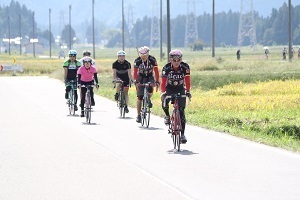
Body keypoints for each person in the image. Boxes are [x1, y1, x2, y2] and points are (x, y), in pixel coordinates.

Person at [160, 49, 191, 144]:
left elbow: (188, 80)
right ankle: (167, 116)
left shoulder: (185, 67)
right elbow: (163, 82)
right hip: (169, 88)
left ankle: (182, 134)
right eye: (174, 60)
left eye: (178, 60)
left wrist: (188, 91)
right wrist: (163, 92)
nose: (176, 62)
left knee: (181, 111)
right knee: (165, 100)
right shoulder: (166, 68)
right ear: (170, 60)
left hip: (180, 88)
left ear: (181, 60)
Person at [133, 46, 160, 123]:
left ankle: (148, 99)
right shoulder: (137, 60)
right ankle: (138, 115)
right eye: (142, 56)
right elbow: (135, 72)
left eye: (145, 56)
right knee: (139, 97)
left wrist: (157, 81)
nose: (143, 57)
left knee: (151, 89)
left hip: (150, 76)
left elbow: (156, 71)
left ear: (148, 55)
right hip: (140, 77)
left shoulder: (152, 59)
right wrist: (136, 81)